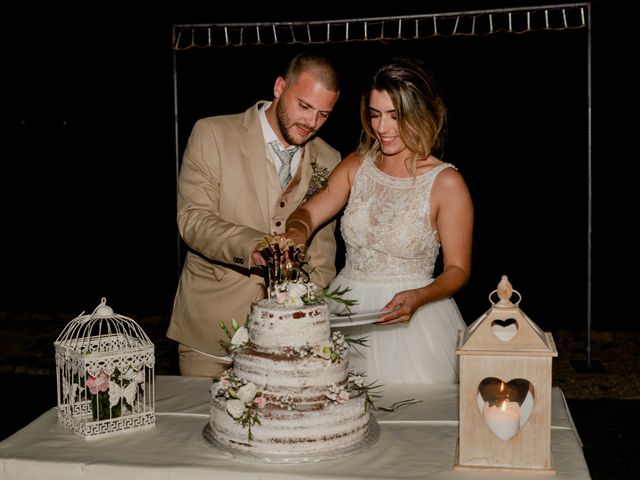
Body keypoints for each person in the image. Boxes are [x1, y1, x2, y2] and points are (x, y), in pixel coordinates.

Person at [282, 57, 473, 384]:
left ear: (419, 113)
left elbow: (458, 270)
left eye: (394, 116)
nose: (382, 128)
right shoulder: (357, 165)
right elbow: (307, 213)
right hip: (346, 310)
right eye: (375, 114)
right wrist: (297, 233)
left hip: (414, 321)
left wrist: (421, 296)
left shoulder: (447, 183)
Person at [168, 52, 342, 378]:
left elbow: (322, 251)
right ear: (279, 87)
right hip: (211, 331)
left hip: (288, 341)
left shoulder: (329, 159)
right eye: (303, 106)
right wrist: (253, 246)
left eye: (323, 114)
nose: (311, 122)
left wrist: (307, 311)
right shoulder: (213, 134)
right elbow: (193, 219)